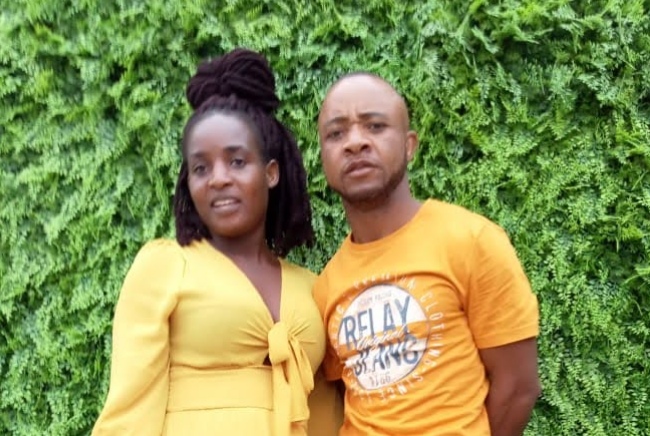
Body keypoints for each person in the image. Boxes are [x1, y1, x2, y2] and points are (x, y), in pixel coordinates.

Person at [93, 48, 341, 436]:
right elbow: (130, 410)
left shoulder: (312, 289)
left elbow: (326, 416)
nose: (219, 179)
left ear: (271, 172)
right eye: (200, 168)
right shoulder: (167, 267)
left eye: (237, 161)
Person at [313, 72, 541, 436]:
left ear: (409, 145)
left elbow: (518, 388)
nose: (355, 142)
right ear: (323, 158)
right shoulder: (327, 285)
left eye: (375, 126)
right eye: (336, 134)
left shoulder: (471, 241)